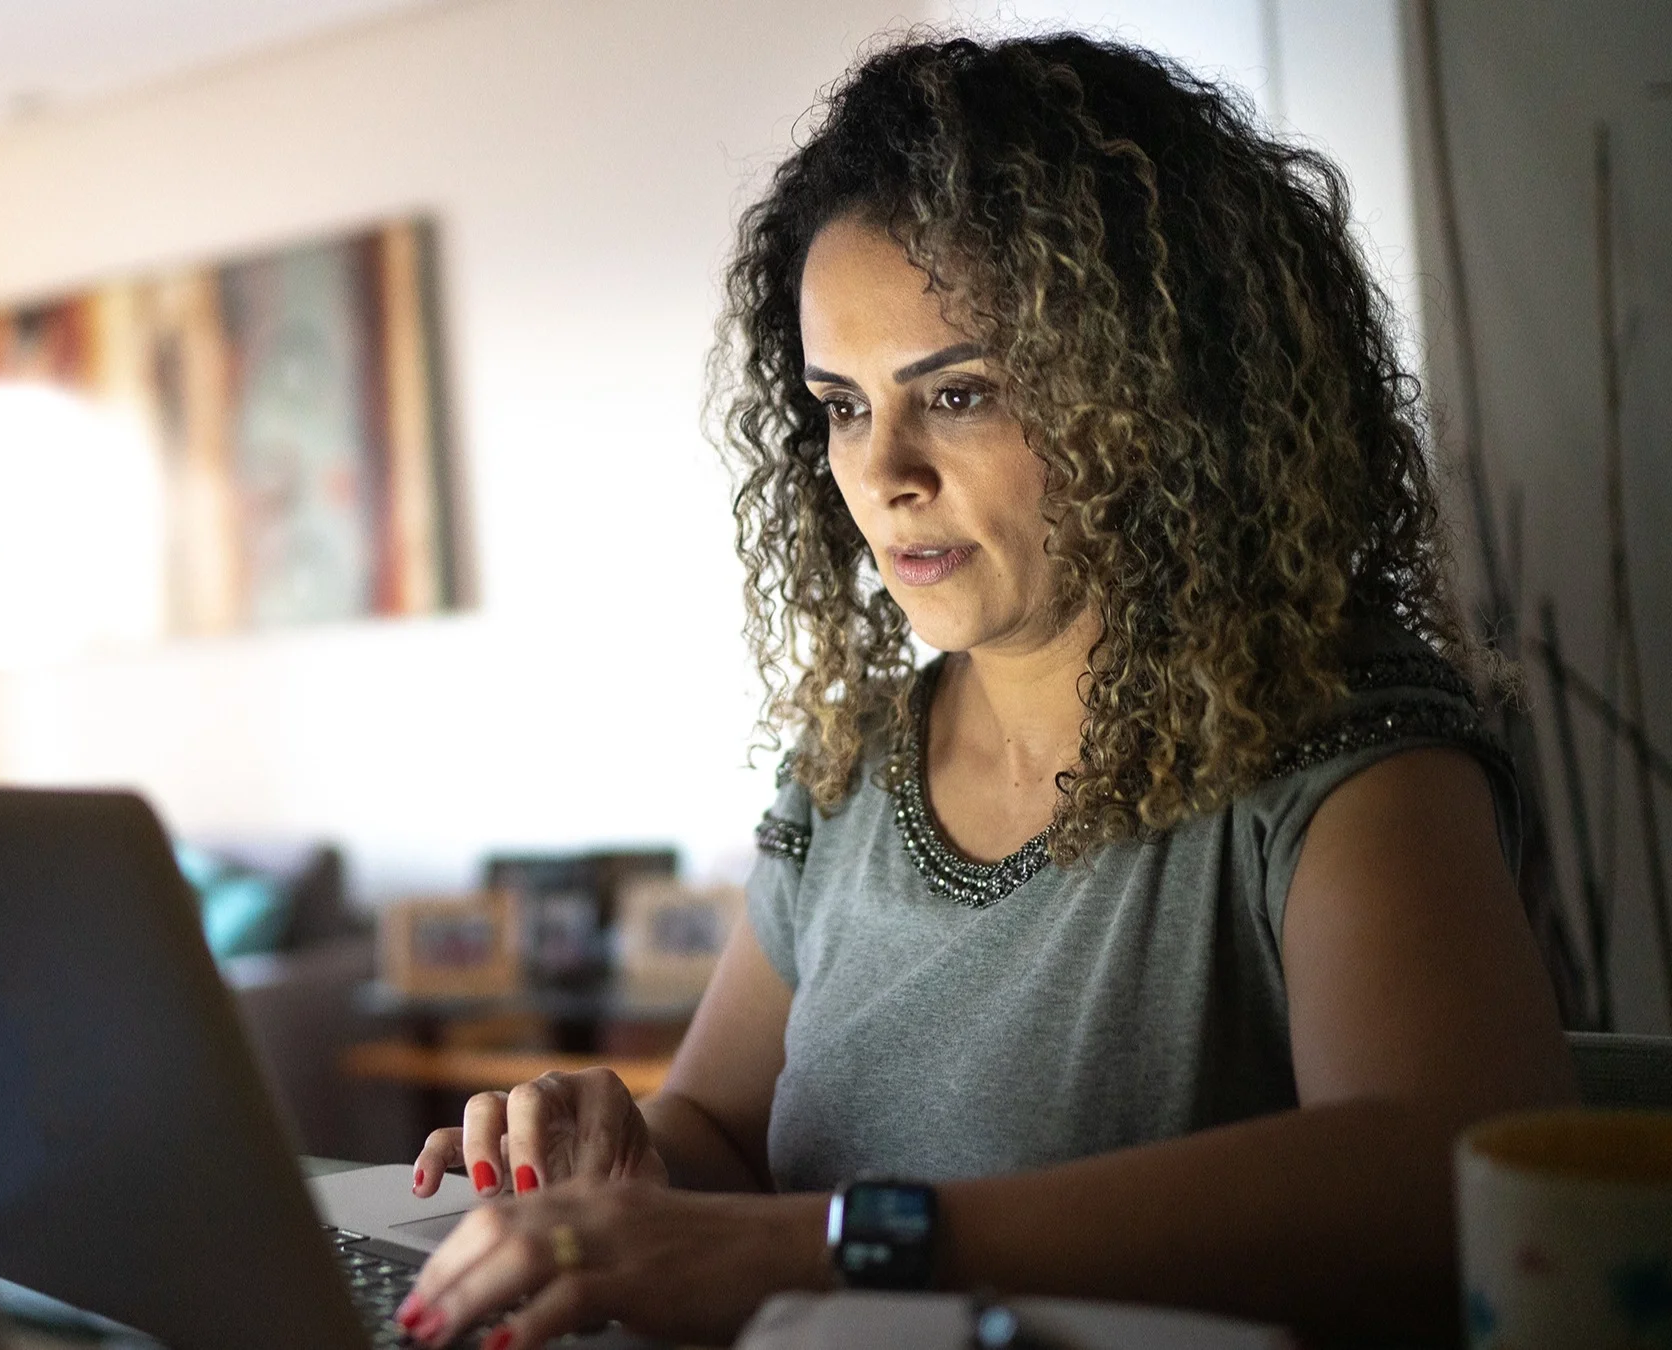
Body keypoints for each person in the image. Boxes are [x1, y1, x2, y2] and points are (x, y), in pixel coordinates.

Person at [393, 33, 1574, 1350]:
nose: (882, 470)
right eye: (840, 406)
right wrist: (618, 1160)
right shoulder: (850, 771)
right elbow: (718, 1127)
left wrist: (842, 1247)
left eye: (956, 392)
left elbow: (1439, 1181)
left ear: (1159, 398)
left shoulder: (1345, 747)